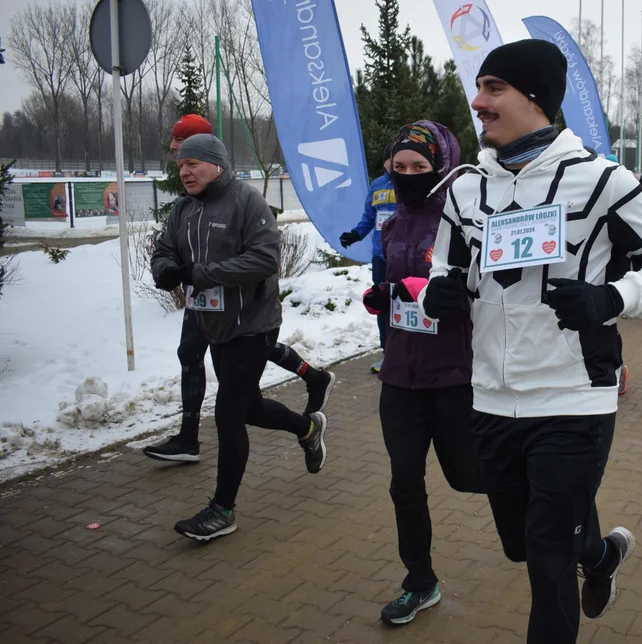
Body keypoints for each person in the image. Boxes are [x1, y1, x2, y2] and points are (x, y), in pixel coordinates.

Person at [419, 39, 642, 644]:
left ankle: (577, 558)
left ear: (535, 98)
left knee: (546, 556)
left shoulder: (598, 180)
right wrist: (438, 293)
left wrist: (611, 298)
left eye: (494, 88)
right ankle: (599, 556)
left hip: (574, 394)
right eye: (481, 87)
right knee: (524, 544)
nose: (478, 101)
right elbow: (444, 268)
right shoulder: (465, 189)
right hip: (492, 394)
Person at [151, 133, 328, 540]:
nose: (185, 171)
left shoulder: (247, 202)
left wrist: (203, 273)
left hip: (254, 325)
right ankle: (307, 429)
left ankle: (222, 510)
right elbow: (165, 249)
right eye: (180, 165)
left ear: (216, 164)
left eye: (192, 163)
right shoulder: (183, 210)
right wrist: (164, 268)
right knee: (248, 408)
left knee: (229, 415)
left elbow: (266, 258)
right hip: (214, 324)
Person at [360, 121, 484, 624]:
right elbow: (392, 285)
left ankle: (558, 521)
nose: (408, 175)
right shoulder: (391, 226)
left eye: (421, 167)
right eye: (400, 166)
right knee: (404, 483)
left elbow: (495, 291)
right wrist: (383, 296)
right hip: (401, 379)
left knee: (469, 476)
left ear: (444, 167)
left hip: (454, 377)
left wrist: (461, 294)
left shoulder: (467, 219)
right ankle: (420, 581)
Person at [340, 143, 397, 373]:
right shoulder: (377, 186)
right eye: (391, 159)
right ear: (385, 162)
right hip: (380, 257)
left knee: (406, 304)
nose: (395, 163)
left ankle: (410, 352)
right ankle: (387, 354)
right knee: (381, 305)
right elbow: (368, 218)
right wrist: (355, 234)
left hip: (404, 257)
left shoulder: (411, 185)